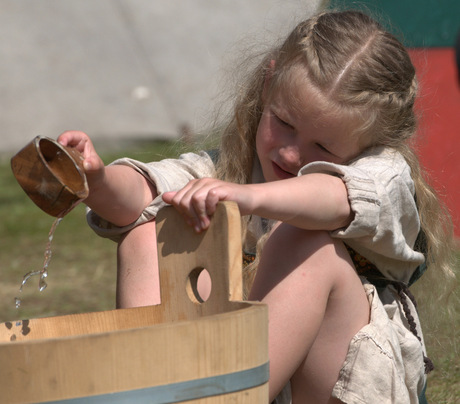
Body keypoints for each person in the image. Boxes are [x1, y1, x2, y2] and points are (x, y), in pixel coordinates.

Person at [58, 9, 456, 404]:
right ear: (268, 85)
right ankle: (153, 388)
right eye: (284, 122)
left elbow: (335, 196)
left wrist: (250, 197)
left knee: (303, 242)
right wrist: (96, 180)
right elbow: (143, 194)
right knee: (152, 229)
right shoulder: (234, 169)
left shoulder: (386, 174)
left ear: (371, 144)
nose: (289, 152)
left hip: (336, 389)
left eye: (322, 147)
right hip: (237, 377)